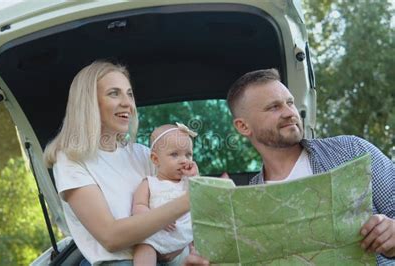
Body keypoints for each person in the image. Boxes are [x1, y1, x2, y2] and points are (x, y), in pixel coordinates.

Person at [185, 68, 394, 265]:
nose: (289, 112)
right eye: (274, 107)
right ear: (243, 126)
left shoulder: (350, 150)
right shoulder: (246, 203)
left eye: (290, 102)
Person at [43, 60, 192, 266]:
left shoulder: (142, 154)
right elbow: (111, 237)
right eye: (114, 93)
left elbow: (180, 195)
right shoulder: (70, 161)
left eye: (129, 94)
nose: (127, 103)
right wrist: (187, 202)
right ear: (89, 103)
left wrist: (176, 245)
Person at [132, 123, 198, 265]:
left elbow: (200, 198)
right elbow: (138, 207)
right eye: (174, 154)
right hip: (155, 239)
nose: (184, 160)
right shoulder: (149, 183)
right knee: (143, 246)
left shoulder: (187, 184)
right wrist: (158, 219)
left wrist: (194, 176)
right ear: (156, 159)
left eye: (188, 154)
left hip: (184, 244)